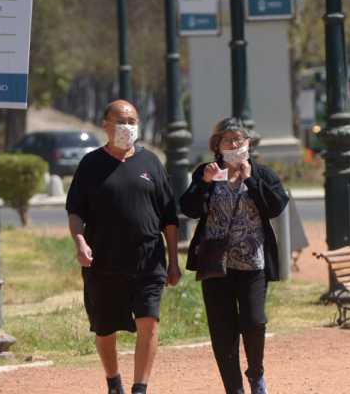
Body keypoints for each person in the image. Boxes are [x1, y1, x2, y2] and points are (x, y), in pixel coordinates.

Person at [66, 100, 182, 394]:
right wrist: (80, 242)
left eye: (132, 121)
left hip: (148, 260)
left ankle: (139, 388)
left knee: (149, 322)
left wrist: (173, 261)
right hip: (103, 262)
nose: (127, 127)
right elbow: (76, 210)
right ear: (105, 125)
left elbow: (169, 216)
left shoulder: (151, 162)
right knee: (104, 329)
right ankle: (113, 380)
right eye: (120, 121)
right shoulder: (91, 164)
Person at [180, 117, 288, 394]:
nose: (235, 144)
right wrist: (202, 184)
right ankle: (234, 388)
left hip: (253, 263)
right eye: (229, 140)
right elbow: (189, 209)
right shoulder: (207, 172)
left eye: (240, 140)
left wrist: (250, 180)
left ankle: (256, 373)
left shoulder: (261, 174)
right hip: (216, 264)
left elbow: (276, 206)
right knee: (222, 329)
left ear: (249, 144)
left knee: (254, 321)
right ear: (217, 145)